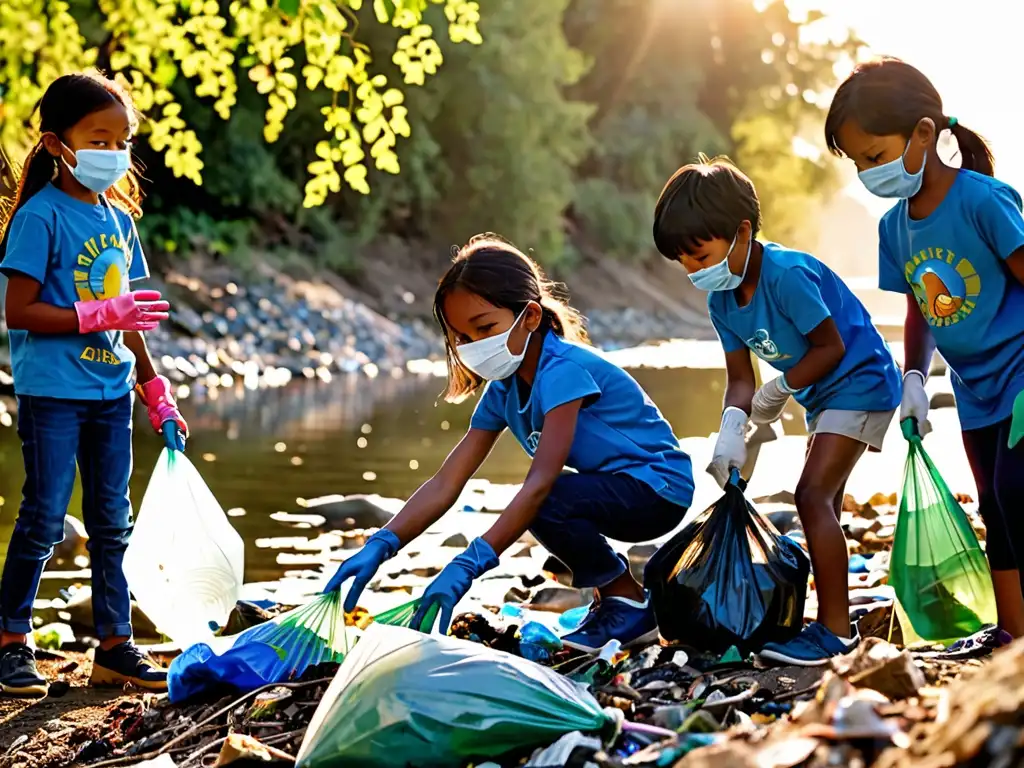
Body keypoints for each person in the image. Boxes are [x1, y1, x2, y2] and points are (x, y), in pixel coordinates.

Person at [326, 234, 694, 651]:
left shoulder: (563, 371)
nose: (474, 346)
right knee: (548, 501)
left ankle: (624, 598)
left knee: (547, 499)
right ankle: (618, 598)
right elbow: (447, 481)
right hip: (619, 487)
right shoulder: (504, 390)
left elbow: (541, 483)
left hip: (659, 487)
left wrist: (469, 564)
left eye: (485, 328)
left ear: (531, 317)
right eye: (463, 338)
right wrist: (383, 543)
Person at [652, 156, 902, 666]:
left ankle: (835, 632)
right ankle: (829, 618)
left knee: (811, 495)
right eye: (686, 264)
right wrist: (729, 430)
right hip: (824, 396)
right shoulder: (722, 300)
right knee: (824, 503)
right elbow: (741, 380)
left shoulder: (786, 275)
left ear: (741, 231)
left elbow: (829, 347)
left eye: (702, 256)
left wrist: (782, 388)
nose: (696, 272)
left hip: (861, 381)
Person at [0, 72, 189, 696]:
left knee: (113, 522)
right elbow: (18, 311)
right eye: (99, 137)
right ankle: (10, 641)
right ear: (58, 144)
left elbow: (131, 316)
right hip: (53, 392)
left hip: (110, 394)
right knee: (45, 518)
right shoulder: (40, 218)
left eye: (123, 140)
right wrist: (94, 314)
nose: (114, 152)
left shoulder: (119, 222)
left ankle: (114, 645)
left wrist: (155, 390)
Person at [825, 57, 1024, 639]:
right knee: (994, 507)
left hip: (1018, 376)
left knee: (1019, 492)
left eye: (875, 156)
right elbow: (921, 306)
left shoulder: (983, 201)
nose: (868, 172)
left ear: (923, 134)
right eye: (859, 163)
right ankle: (1012, 640)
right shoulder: (895, 227)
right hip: (974, 388)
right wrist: (915, 378)